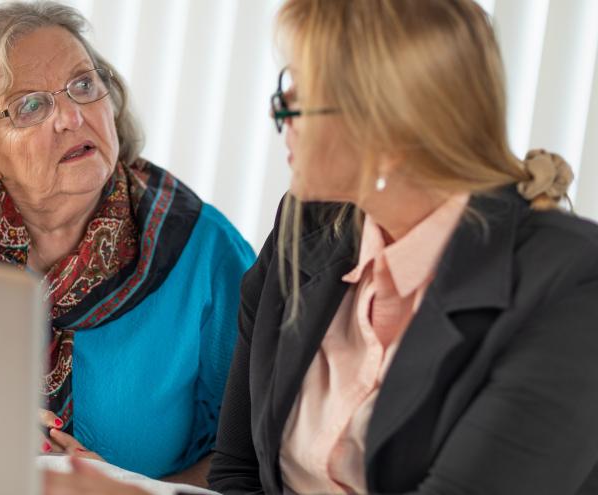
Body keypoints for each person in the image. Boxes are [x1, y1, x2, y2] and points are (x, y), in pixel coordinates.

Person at [44, 0, 598, 494]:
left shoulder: (572, 286)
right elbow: (240, 472)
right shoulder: (306, 226)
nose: (280, 119)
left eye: (300, 99)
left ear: (393, 127)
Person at [0, 1, 254, 486]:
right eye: (31, 105)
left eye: (83, 85)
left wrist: (128, 492)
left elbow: (253, 464)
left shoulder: (205, 251)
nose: (70, 117)